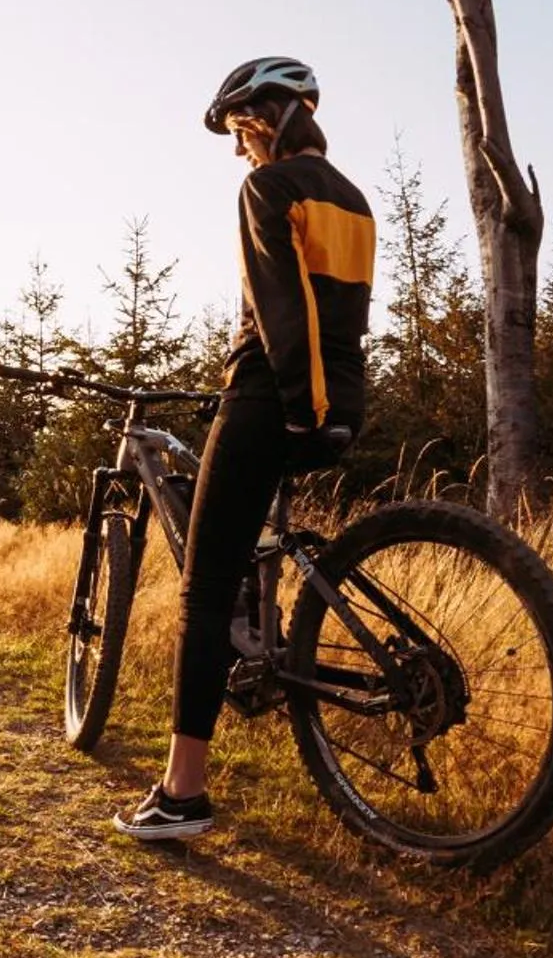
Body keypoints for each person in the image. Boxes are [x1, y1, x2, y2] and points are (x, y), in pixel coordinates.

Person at [113, 56, 374, 840]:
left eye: (239, 129)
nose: (237, 149)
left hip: (275, 398)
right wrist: (322, 410)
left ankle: (182, 792)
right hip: (344, 398)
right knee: (250, 550)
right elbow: (337, 316)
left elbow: (282, 311)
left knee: (203, 588)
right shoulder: (353, 198)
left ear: (270, 116)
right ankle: (265, 650)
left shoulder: (268, 188)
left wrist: (292, 407)